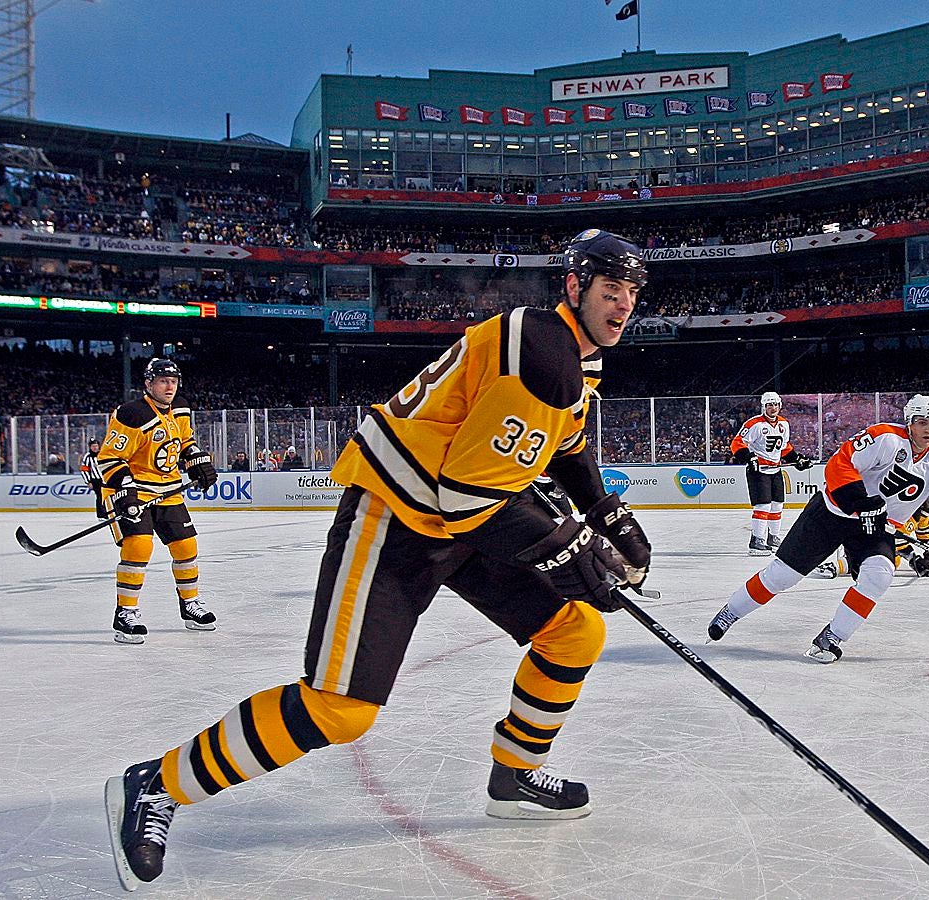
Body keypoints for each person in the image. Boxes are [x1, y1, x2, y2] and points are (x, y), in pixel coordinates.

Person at [105, 229, 654, 890]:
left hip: (462, 515)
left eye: (629, 293)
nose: (622, 304)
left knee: (575, 632)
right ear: (573, 287)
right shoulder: (541, 350)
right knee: (340, 708)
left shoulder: (577, 357)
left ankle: (511, 776)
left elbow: (562, 447)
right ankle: (155, 785)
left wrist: (605, 514)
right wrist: (568, 547)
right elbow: (469, 497)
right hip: (398, 515)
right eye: (609, 290)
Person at [707, 394, 929, 663]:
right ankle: (731, 612)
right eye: (922, 422)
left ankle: (832, 637)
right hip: (832, 512)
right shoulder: (884, 437)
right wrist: (861, 503)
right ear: (909, 422)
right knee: (782, 576)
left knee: (880, 575)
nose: (928, 429)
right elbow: (840, 465)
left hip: (876, 528)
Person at [95, 358, 219, 644]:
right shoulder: (131, 413)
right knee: (138, 547)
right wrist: (125, 489)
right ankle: (126, 612)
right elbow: (109, 457)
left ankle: (190, 605)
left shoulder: (181, 409)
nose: (169, 387)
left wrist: (198, 462)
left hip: (168, 489)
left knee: (186, 546)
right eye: (163, 381)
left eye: (173, 381)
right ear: (148, 384)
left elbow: (185, 442)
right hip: (133, 489)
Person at [729, 391, 812, 556]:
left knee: (777, 505)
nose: (772, 408)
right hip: (759, 472)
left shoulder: (784, 424)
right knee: (763, 505)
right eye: (769, 405)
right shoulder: (755, 424)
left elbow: (785, 447)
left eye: (775, 405)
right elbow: (737, 443)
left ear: (779, 406)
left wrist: (798, 460)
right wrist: (749, 458)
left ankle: (773, 537)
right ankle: (756, 540)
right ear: (763, 407)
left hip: (775, 470)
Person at [80, 437, 108, 520]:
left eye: (96, 446)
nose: (95, 448)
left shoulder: (103, 454)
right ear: (90, 447)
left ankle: (108, 512)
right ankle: (101, 514)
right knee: (100, 497)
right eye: (93, 446)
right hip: (95, 480)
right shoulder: (88, 457)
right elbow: (84, 470)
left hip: (105, 479)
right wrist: (88, 482)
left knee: (107, 496)